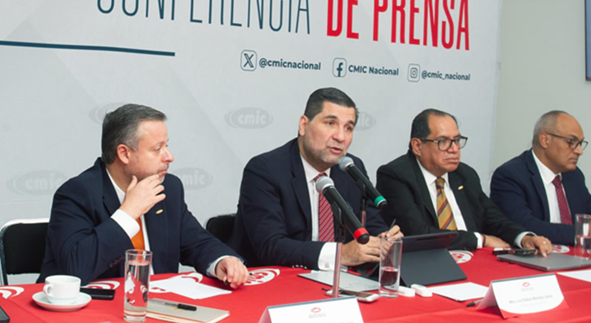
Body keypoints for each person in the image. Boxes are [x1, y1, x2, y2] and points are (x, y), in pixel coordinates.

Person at [39, 104, 248, 286]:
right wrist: (128, 213)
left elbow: (196, 242)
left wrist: (222, 260)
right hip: (96, 308)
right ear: (124, 153)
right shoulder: (77, 194)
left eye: (167, 146)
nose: (169, 157)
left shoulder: (168, 188)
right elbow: (75, 269)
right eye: (157, 149)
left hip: (160, 305)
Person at [228, 88, 401, 270]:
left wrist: (382, 238)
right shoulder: (265, 170)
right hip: (278, 279)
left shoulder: (351, 168)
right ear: (303, 125)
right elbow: (271, 246)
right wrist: (339, 254)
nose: (340, 137)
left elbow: (371, 222)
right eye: (330, 123)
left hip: (340, 279)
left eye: (348, 128)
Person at [376, 109, 551, 254]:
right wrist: (479, 239)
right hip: (429, 264)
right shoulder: (395, 175)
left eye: (457, 140)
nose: (454, 149)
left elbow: (493, 218)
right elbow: (417, 234)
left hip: (475, 260)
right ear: (417, 146)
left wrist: (524, 238)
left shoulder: (465, 174)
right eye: (443, 141)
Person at [490, 110, 591, 247]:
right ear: (545, 140)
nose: (579, 151)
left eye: (580, 144)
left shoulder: (573, 175)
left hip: (573, 255)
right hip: (536, 256)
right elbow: (524, 226)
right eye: (571, 142)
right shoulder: (510, 175)